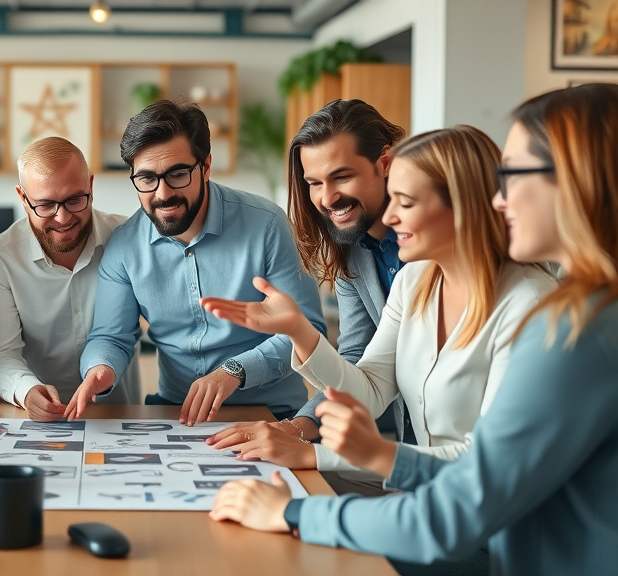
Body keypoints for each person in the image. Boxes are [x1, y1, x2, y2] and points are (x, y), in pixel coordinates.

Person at [208, 83, 618, 576]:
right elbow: (380, 390)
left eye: (512, 174)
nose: (500, 198)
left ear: (578, 181)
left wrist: (295, 506)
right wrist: (301, 334)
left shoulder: (563, 321)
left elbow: (463, 503)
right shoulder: (415, 277)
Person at [205, 125, 555, 479]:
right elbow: (369, 389)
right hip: (426, 495)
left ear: (461, 204)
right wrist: (298, 329)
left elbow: (490, 459)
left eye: (406, 202)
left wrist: (316, 455)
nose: (389, 217)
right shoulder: (414, 280)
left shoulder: (531, 303)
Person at [66, 98, 326, 424]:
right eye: (146, 178)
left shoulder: (267, 225)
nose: (162, 194)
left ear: (205, 167)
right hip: (176, 414)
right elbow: (110, 336)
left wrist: (235, 371)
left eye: (177, 174)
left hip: (270, 416)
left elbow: (308, 331)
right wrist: (99, 370)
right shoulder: (123, 246)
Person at [209, 100, 412, 480]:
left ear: (384, 164)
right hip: (413, 449)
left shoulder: (432, 256)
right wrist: (298, 428)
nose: (326, 198)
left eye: (342, 176)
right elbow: (358, 364)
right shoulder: (350, 249)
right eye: (314, 183)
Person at [0, 136, 139, 422]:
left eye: (74, 200)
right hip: (37, 423)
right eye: (45, 205)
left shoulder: (128, 237)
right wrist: (26, 391)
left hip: (119, 416)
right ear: (22, 198)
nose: (62, 218)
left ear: (90, 186)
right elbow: (1, 354)